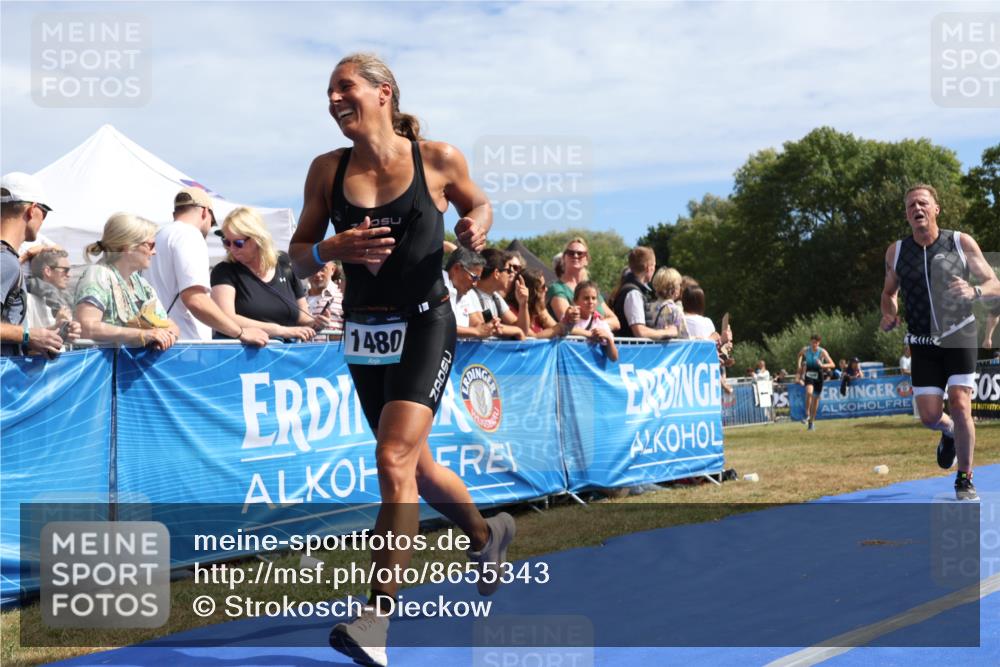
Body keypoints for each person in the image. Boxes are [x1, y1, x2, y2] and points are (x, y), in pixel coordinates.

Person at [287, 52, 515, 667]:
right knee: (415, 465)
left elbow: (480, 205)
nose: (334, 99)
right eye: (329, 91)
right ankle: (488, 533)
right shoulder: (326, 171)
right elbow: (297, 257)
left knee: (392, 458)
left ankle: (376, 619)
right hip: (364, 331)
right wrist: (330, 248)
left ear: (383, 91)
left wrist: (475, 226)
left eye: (345, 87)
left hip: (425, 323)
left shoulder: (436, 158)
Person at [880, 183, 1000, 501]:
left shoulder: (960, 242)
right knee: (930, 416)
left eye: (922, 203)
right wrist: (889, 314)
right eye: (911, 206)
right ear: (906, 215)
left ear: (936, 209)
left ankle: (965, 478)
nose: (917, 208)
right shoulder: (896, 252)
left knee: (960, 404)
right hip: (922, 342)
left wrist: (974, 291)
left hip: (960, 334)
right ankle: (948, 433)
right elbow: (889, 293)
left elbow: (994, 283)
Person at [146, 188, 268, 346]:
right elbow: (195, 299)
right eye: (212, 222)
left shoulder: (156, 237)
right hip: (186, 344)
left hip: (158, 342)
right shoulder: (190, 235)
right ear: (205, 212)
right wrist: (241, 332)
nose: (210, 227)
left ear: (175, 213)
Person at [211, 207, 326, 342]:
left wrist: (315, 322)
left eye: (238, 243)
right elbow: (226, 318)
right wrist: (280, 331)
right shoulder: (224, 271)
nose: (231, 248)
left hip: (286, 352)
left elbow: (302, 316)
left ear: (257, 238)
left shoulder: (284, 263)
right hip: (244, 352)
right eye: (226, 242)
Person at [75, 213, 180, 350]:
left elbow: (170, 325)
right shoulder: (98, 274)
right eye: (151, 245)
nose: (154, 252)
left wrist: (167, 335)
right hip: (103, 363)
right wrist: (141, 334)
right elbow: (87, 327)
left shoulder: (141, 284)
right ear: (129, 247)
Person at [1, 172, 79, 355]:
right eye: (44, 213)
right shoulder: (6, 261)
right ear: (32, 210)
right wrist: (27, 335)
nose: (43, 220)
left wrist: (45, 335)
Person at [546, 237, 620, 331]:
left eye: (580, 253)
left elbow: (616, 322)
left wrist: (598, 325)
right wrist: (597, 327)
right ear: (564, 258)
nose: (575, 256)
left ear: (586, 260)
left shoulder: (591, 289)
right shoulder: (557, 288)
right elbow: (568, 323)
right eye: (571, 253)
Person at [612, 246, 675, 340]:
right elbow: (640, 332)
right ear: (648, 268)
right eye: (654, 266)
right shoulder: (633, 293)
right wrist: (667, 332)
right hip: (632, 349)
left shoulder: (630, 289)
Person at [474, 248, 525, 340]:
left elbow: (523, 329)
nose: (511, 275)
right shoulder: (471, 295)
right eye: (508, 271)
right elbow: (488, 327)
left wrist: (523, 304)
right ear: (497, 273)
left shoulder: (495, 297)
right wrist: (517, 331)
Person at [443, 247, 494, 338]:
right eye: (474, 277)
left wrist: (487, 327)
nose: (475, 284)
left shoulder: (463, 291)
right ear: (456, 268)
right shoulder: (436, 287)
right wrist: (476, 331)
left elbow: (474, 323)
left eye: (478, 279)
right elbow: (439, 324)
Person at [512, 268, 574, 338]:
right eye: (543, 287)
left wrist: (568, 320)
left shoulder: (539, 309)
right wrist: (563, 324)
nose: (546, 289)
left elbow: (556, 326)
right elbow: (533, 338)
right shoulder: (512, 311)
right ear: (532, 292)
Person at [24, 246, 73, 328]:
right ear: (48, 271)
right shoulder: (28, 300)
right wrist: (58, 327)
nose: (69, 275)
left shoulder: (65, 302)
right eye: (65, 270)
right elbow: (23, 334)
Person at [570, 280, 618, 361]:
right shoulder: (570, 317)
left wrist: (608, 339)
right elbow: (563, 329)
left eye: (594, 298)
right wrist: (589, 334)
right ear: (575, 300)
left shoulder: (600, 323)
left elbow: (614, 358)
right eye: (586, 298)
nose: (590, 302)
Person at [795, 333, 835, 431]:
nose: (814, 344)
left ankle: (811, 422)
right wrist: (799, 365)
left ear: (819, 343)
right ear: (810, 342)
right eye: (812, 342)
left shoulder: (822, 352)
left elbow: (832, 364)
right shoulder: (805, 350)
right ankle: (807, 414)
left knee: (815, 400)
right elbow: (799, 355)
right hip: (809, 375)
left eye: (816, 343)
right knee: (809, 392)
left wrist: (822, 365)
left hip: (819, 377)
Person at [306, 260, 345, 336]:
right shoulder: (299, 299)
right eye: (312, 269)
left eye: (322, 269)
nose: (317, 274)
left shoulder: (342, 297)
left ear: (332, 269)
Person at [650, 266, 687, 336]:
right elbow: (684, 336)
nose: (680, 287)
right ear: (674, 290)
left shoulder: (649, 307)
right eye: (679, 285)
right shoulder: (675, 310)